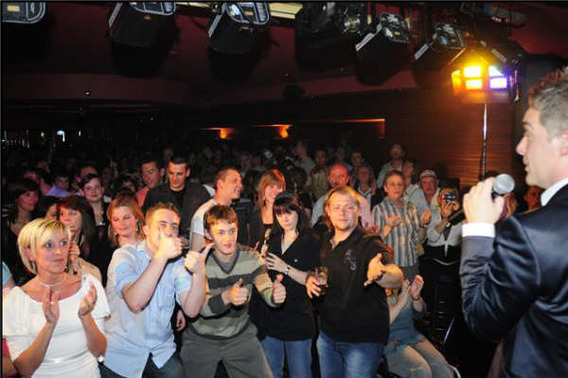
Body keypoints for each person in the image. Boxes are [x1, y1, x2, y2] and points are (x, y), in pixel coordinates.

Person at [460, 67, 568, 376]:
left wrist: (479, 230)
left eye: (529, 135)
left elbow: (481, 319)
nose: (520, 147)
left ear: (564, 141)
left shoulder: (531, 233)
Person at [306, 186, 403, 378]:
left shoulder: (369, 243)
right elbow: (315, 273)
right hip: (327, 336)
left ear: (358, 210)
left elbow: (397, 275)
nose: (342, 213)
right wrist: (310, 280)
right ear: (328, 211)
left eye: (348, 207)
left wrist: (381, 274)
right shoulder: (324, 241)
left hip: (362, 341)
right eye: (336, 207)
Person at [102, 202, 207, 378]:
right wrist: (161, 256)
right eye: (162, 225)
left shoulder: (177, 264)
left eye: (174, 227)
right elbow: (135, 302)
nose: (168, 231)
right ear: (146, 230)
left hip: (161, 350)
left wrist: (200, 274)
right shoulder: (125, 256)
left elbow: (191, 309)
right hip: (122, 352)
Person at [180, 205, 286, 378]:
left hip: (240, 335)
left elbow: (267, 290)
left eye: (232, 230)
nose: (228, 238)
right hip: (201, 338)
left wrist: (276, 296)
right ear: (208, 235)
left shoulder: (252, 257)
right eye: (220, 232)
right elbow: (201, 309)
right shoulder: (199, 262)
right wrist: (227, 296)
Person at [2, 218, 109, 377]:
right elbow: (24, 368)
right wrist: (49, 326)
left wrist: (85, 316)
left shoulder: (88, 286)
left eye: (64, 243)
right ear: (29, 253)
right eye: (48, 245)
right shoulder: (16, 300)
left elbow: (100, 351)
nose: (59, 251)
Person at [262, 193, 319, 378]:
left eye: (289, 213)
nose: (284, 218)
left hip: (298, 317)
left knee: (300, 372)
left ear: (298, 211)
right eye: (279, 214)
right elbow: (265, 273)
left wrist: (285, 267)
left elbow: (313, 279)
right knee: (271, 372)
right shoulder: (273, 237)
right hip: (272, 316)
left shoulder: (311, 240)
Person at [385, 275, 453, 378]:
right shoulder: (372, 293)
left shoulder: (402, 285)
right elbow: (380, 324)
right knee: (422, 370)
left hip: (412, 336)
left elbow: (420, 313)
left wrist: (415, 297)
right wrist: (399, 303)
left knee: (442, 368)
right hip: (390, 343)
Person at [371, 170, 431, 280]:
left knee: (412, 295)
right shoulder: (379, 209)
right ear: (385, 188)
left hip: (411, 263)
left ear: (403, 188)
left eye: (400, 184)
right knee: (392, 297)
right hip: (391, 265)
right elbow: (374, 242)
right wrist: (388, 227)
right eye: (392, 184)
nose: (396, 187)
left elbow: (420, 239)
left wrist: (423, 224)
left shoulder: (411, 208)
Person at [143, 155, 210, 236]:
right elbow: (146, 222)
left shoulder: (199, 191)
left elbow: (210, 219)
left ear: (187, 173)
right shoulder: (155, 195)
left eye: (179, 174)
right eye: (171, 173)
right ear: (167, 171)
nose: (174, 178)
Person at [189, 168, 244, 251]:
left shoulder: (230, 211)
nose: (240, 186)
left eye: (240, 182)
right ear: (220, 184)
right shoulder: (205, 212)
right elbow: (196, 251)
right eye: (234, 181)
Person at [2, 178, 40, 285]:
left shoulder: (39, 223)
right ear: (16, 197)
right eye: (27, 195)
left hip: (36, 279)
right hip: (10, 281)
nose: (33, 199)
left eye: (35, 194)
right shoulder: (4, 225)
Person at [58, 196, 104, 284]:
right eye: (62, 214)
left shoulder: (95, 246)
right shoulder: (52, 243)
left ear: (84, 217)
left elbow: (96, 281)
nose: (66, 218)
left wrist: (77, 263)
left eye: (72, 213)